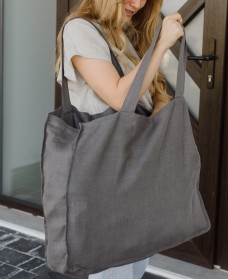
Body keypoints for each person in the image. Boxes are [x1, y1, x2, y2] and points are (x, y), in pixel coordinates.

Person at [55, 0, 184, 278]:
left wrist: (155, 127)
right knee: (114, 267)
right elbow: (119, 97)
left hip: (135, 170)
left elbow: (156, 94)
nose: (138, 4)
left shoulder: (122, 35)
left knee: (134, 265)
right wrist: (161, 44)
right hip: (105, 175)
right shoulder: (80, 30)